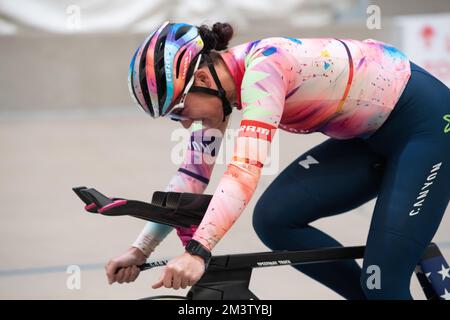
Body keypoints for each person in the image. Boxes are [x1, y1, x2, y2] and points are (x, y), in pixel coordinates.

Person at [105, 21, 450, 299]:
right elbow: (191, 175)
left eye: (179, 108)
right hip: (369, 136)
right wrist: (140, 249)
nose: (182, 121)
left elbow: (244, 169)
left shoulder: (264, 69)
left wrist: (198, 251)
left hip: (427, 127)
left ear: (203, 78)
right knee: (274, 219)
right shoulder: (222, 90)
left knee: (383, 283)